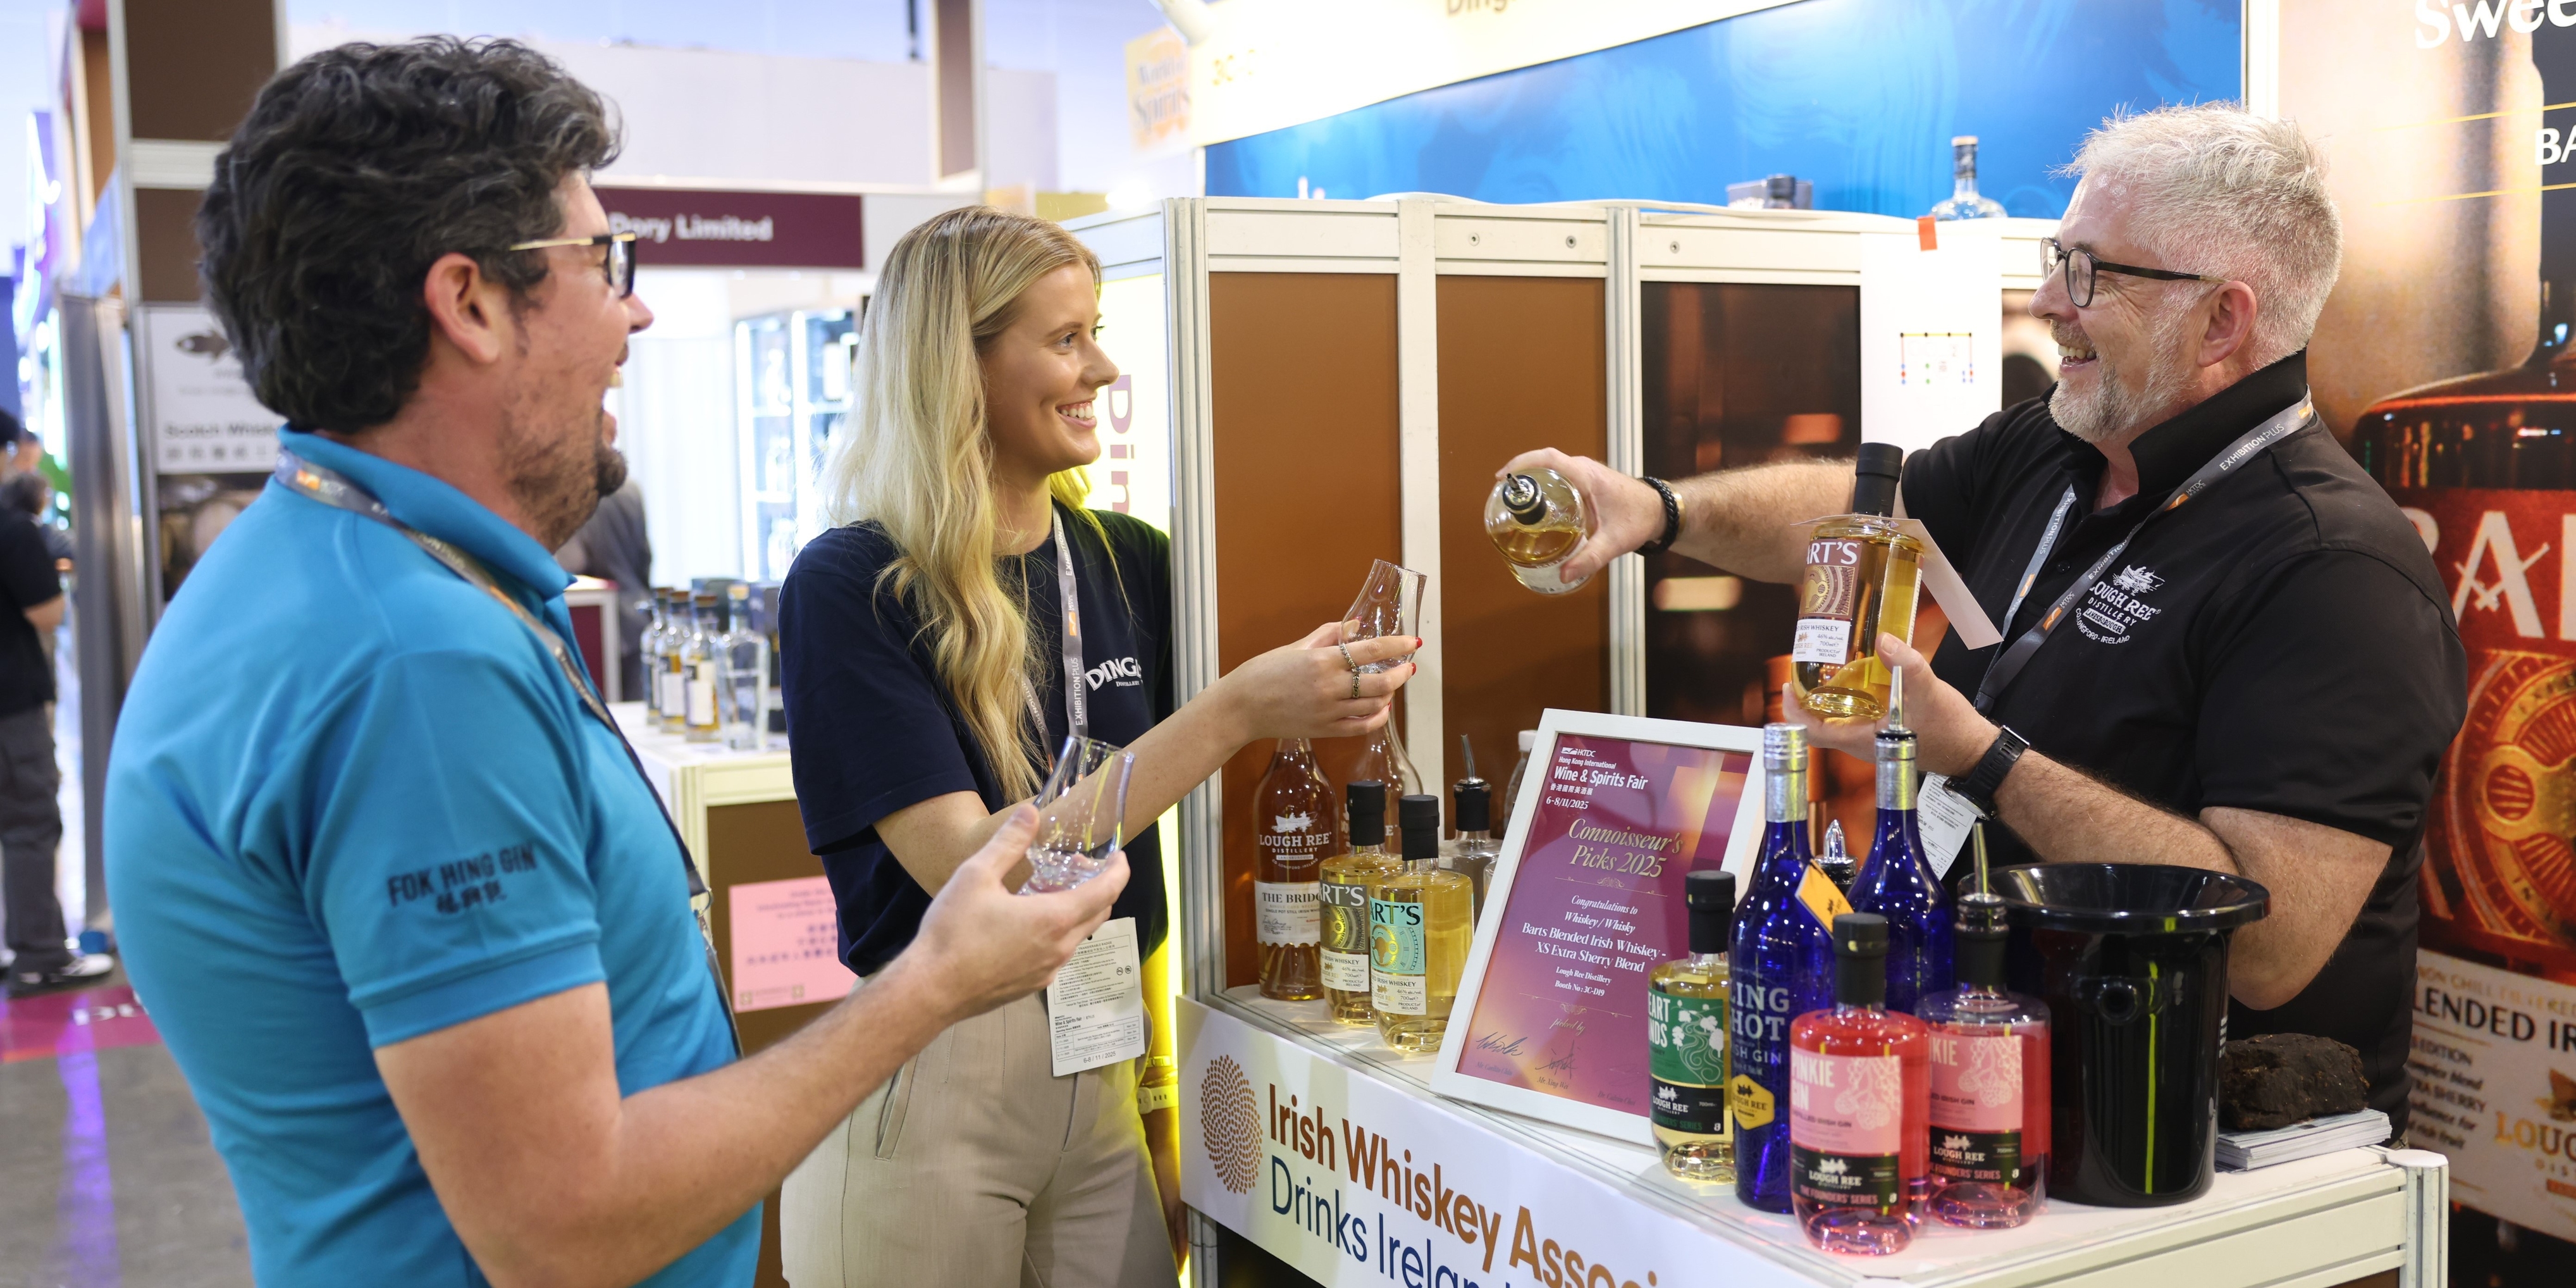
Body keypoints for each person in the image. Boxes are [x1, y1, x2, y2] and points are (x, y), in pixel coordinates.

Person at [106, 39, 1123, 1288]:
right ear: (469, 302)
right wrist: (934, 983)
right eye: (606, 263)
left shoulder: (337, 579)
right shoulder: (413, 665)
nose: (635, 312)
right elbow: (565, 1224)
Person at [1510, 104, 2464, 1134]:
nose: (2047, 301)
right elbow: (1855, 517)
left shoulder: (2336, 572)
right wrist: (1657, 511)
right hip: (1996, 1083)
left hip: (2189, 1144)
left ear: (2221, 322)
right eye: (2056, 260)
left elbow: (2269, 946)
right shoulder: (2054, 446)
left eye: (2089, 273)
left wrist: (1975, 754)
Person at [778, 206, 1417, 1287]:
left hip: (1105, 1058)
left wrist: (1160, 1102)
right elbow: (980, 869)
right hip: (936, 1070)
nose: (1104, 369)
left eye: (1098, 333)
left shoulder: (1128, 561)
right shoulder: (854, 586)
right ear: (960, 365)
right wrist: (1233, 711)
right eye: (1067, 339)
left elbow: (1149, 855)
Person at [0, 423, 95, 998]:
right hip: (11, 704)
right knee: (29, 821)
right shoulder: (12, 530)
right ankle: (39, 954)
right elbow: (47, 614)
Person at [555, 465, 651, 699]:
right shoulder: (630, 490)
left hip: (600, 626)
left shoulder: (579, 494)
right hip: (638, 615)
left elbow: (573, 562)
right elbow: (645, 556)